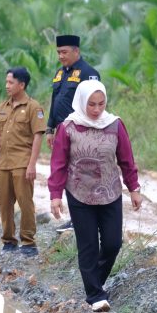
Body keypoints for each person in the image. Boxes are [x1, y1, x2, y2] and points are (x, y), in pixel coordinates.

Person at [47, 80, 143, 312]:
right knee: (88, 245)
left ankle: (95, 282)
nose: (97, 109)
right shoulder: (68, 127)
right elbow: (58, 163)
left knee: (112, 243)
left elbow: (126, 159)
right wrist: (55, 194)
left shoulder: (114, 124)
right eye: (91, 104)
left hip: (110, 191)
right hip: (79, 193)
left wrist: (134, 189)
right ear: (82, 102)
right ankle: (95, 295)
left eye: (101, 104)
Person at [0, 67, 46, 256]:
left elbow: (38, 137)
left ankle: (28, 242)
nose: (7, 86)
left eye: (11, 82)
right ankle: (9, 241)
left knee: (25, 203)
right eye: (6, 82)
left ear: (22, 84)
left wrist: (32, 164)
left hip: (22, 163)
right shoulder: (2, 107)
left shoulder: (33, 108)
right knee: (4, 203)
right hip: (4, 163)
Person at [46, 34, 101, 233]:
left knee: (83, 172)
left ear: (76, 51)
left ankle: (90, 217)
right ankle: (74, 218)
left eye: (65, 52)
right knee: (66, 173)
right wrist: (50, 128)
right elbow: (55, 101)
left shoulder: (89, 73)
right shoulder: (60, 74)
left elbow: (94, 106)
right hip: (61, 131)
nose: (61, 56)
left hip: (80, 132)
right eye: (58, 52)